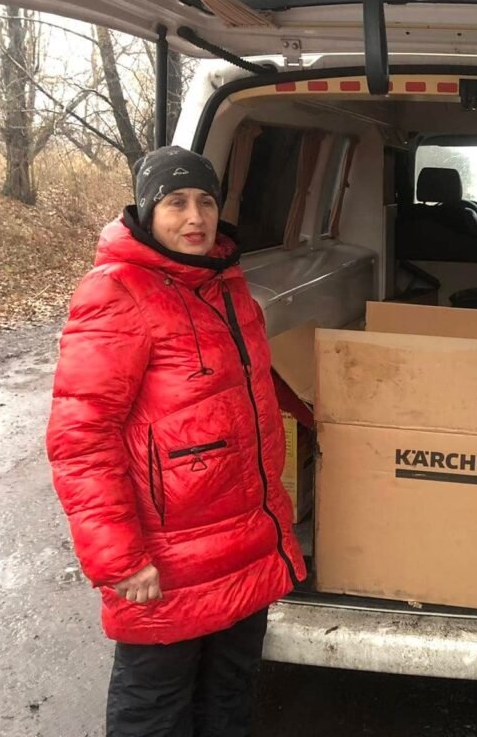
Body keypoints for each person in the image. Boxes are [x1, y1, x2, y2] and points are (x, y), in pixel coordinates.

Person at [46, 145, 306, 736]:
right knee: (155, 710)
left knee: (230, 695)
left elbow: (247, 391)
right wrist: (120, 558)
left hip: (244, 535)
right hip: (168, 557)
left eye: (206, 201)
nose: (195, 217)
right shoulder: (117, 292)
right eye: (176, 202)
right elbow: (81, 438)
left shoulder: (227, 284)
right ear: (147, 210)